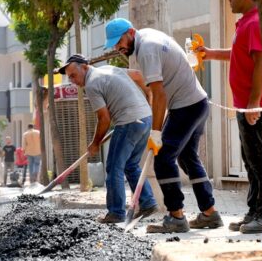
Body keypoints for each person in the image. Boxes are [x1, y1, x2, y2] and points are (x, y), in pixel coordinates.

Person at [104, 17, 222, 233]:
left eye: (119, 41)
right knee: (187, 157)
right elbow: (157, 93)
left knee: (163, 157)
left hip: (186, 106)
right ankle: (210, 212)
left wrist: (156, 132)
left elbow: (159, 94)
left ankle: (176, 217)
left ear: (130, 32)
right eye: (114, 44)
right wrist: (157, 126)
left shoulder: (146, 49)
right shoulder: (148, 37)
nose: (118, 47)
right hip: (197, 102)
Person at [197, 0, 262, 234]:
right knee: (249, 161)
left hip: (254, 107)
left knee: (260, 161)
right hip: (244, 105)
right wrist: (210, 54)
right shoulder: (245, 23)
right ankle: (254, 212)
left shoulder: (256, 22)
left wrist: (252, 104)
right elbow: (240, 55)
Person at [58, 54, 158, 224]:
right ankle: (148, 202)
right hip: (146, 119)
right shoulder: (109, 69)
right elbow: (138, 75)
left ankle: (116, 212)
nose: (73, 81)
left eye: (74, 75)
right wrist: (148, 94)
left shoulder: (92, 84)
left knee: (113, 168)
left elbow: (104, 118)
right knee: (130, 165)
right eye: (69, 78)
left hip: (128, 122)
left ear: (85, 67)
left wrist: (95, 143)